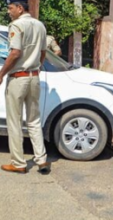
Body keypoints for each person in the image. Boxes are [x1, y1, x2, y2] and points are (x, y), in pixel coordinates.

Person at [0, 0, 50, 174]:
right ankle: (42, 160)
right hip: (34, 77)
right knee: (34, 120)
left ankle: (18, 162)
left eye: (10, 8)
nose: (9, 11)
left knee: (14, 121)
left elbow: (15, 53)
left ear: (20, 8)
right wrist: (35, 67)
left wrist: (1, 74)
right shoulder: (40, 26)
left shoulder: (16, 25)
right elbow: (43, 53)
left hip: (18, 78)